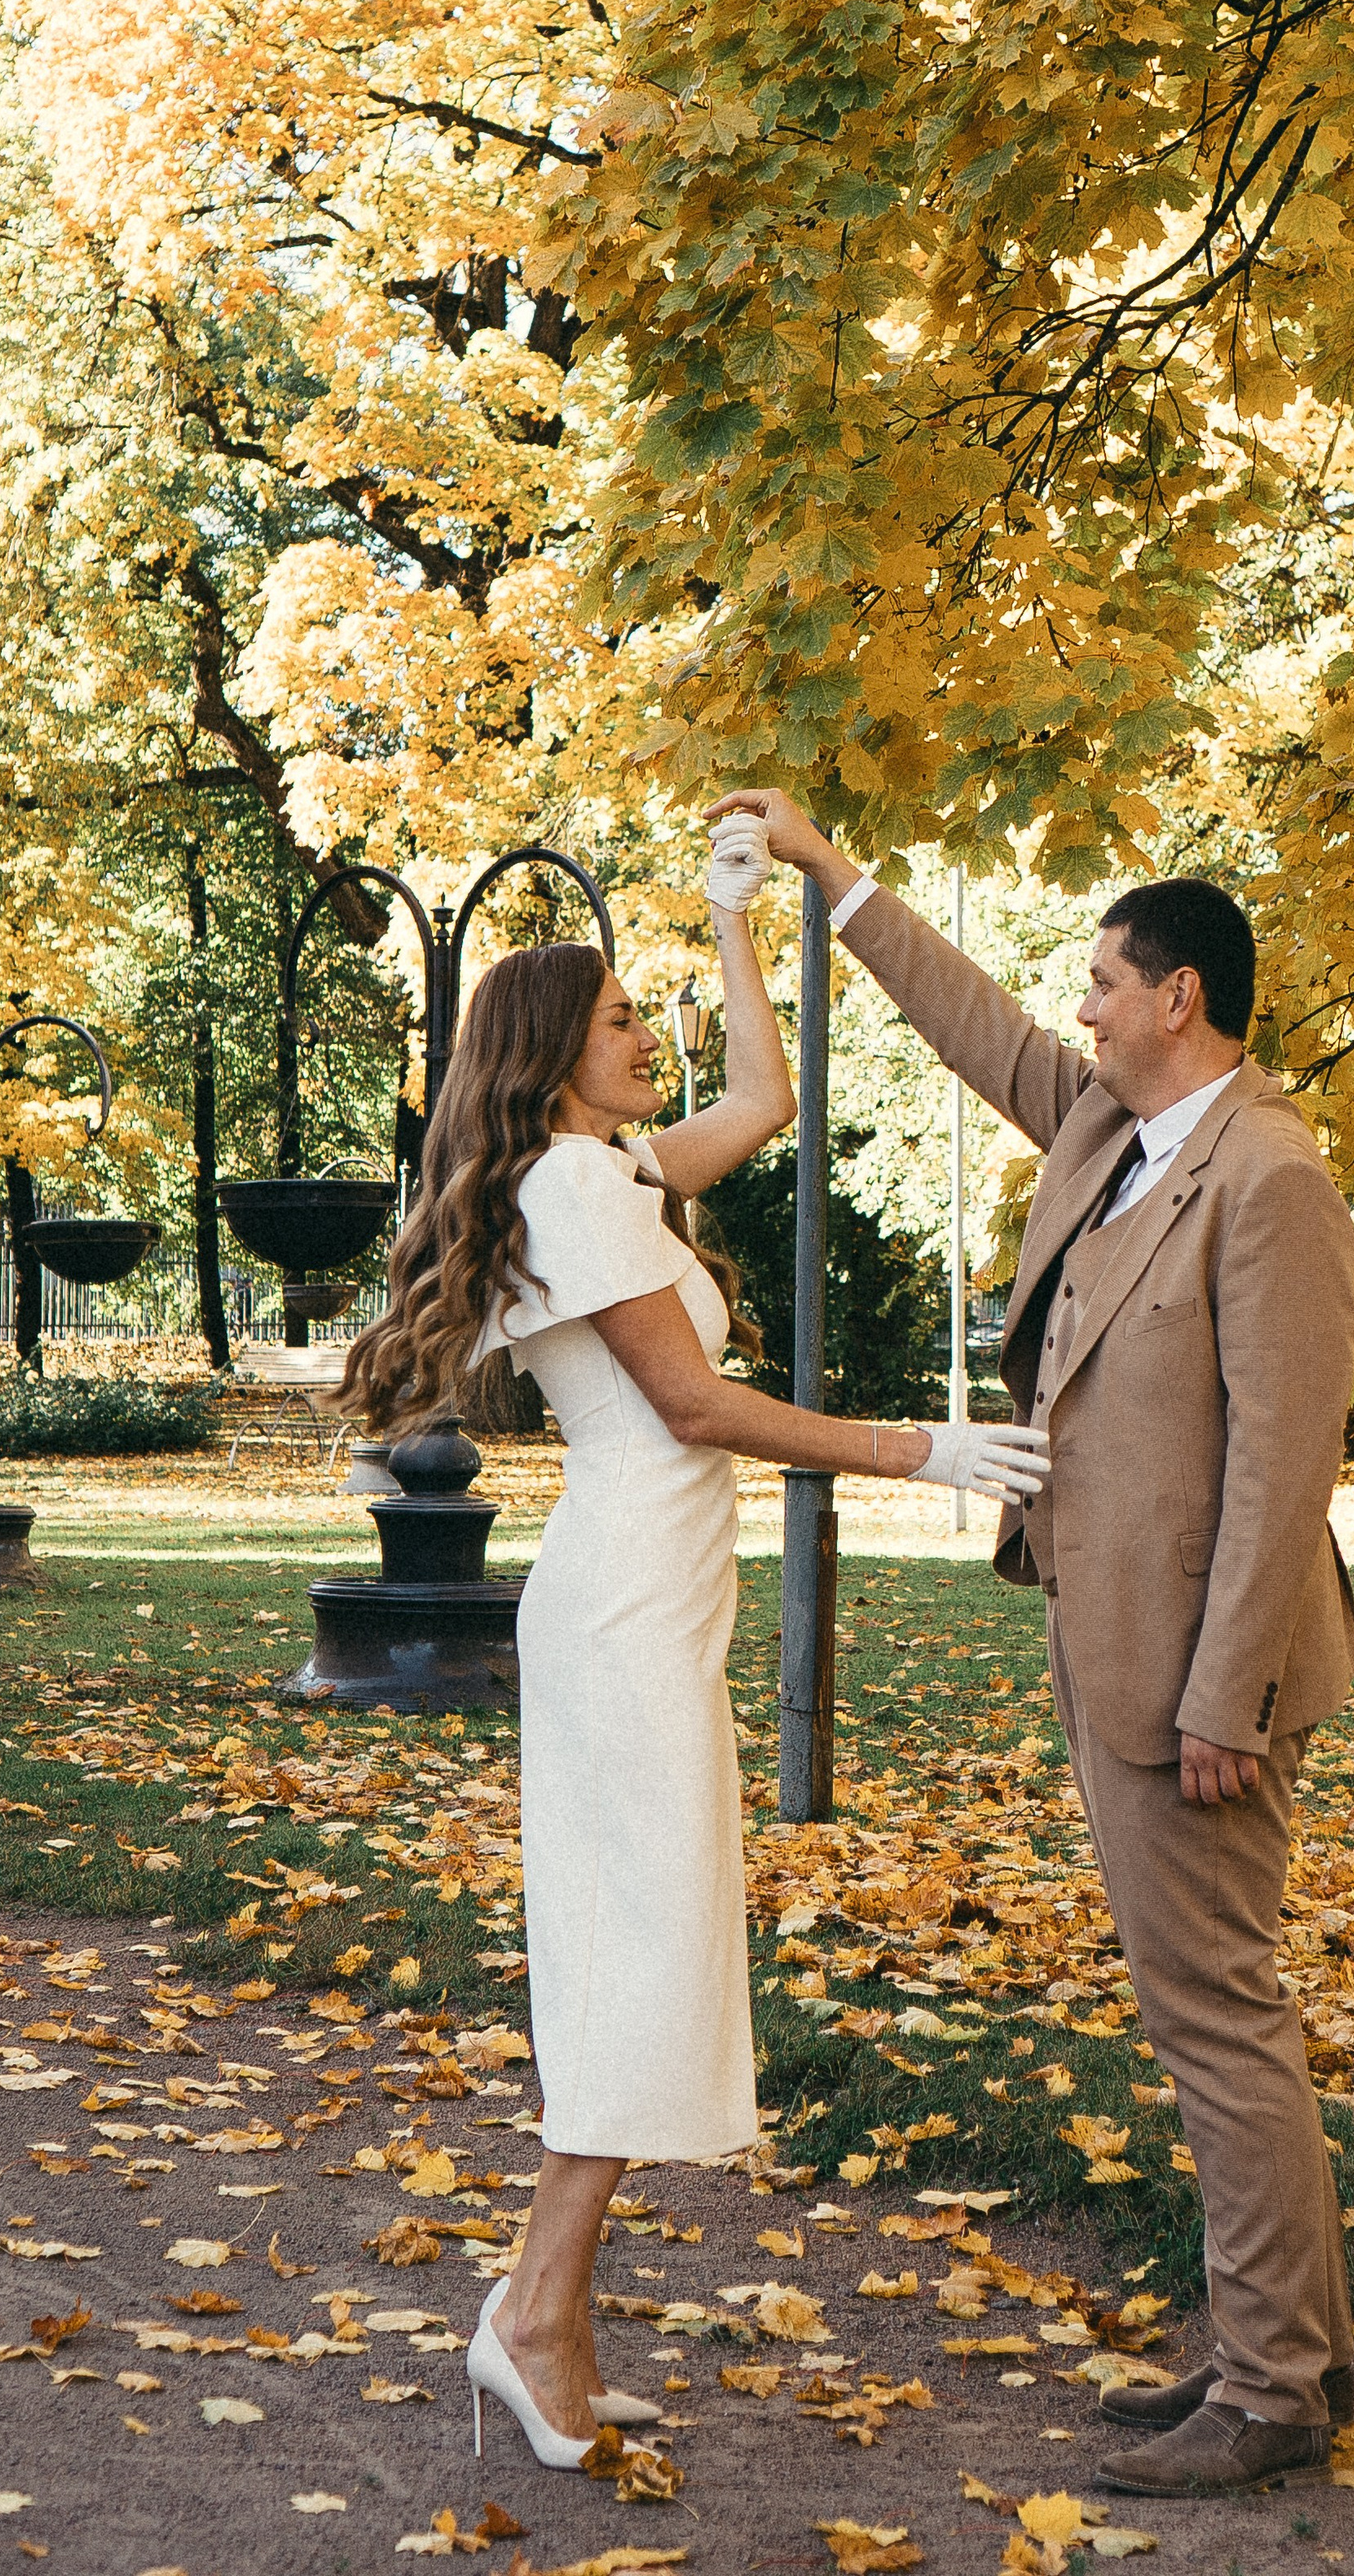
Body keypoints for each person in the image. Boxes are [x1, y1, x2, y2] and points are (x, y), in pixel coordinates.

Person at [336, 822, 1049, 2470]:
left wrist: (739, 922)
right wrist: (926, 1453)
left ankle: (542, 2315)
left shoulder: (604, 1172)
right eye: (617, 1025)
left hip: (642, 1604)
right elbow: (688, 1403)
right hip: (620, 1612)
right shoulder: (572, 1184)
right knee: (640, 1959)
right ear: (549, 1059)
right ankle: (533, 2317)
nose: (645, 1041)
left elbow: (762, 1106)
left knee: (647, 1952)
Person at [705, 792, 1354, 2502]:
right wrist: (832, 877)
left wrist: (1224, 1691)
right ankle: (1267, 2347)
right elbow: (969, 1017)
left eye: (1103, 982)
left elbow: (1283, 1467)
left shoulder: (1269, 1177)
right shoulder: (1108, 1130)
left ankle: (1276, 2387)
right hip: (1110, 1635)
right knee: (1192, 2003)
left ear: (1182, 1002)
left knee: (1214, 2010)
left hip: (1201, 1676)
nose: (1076, 1006)